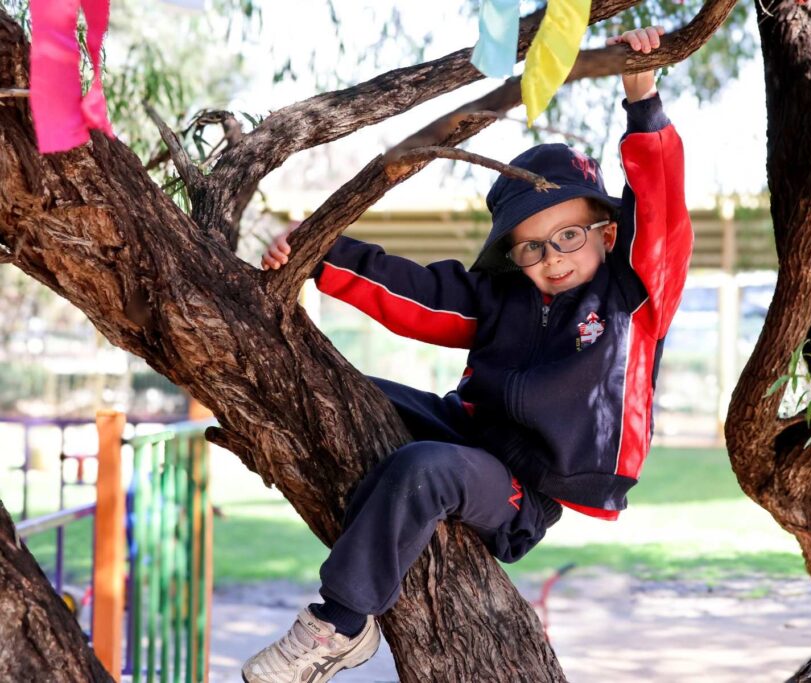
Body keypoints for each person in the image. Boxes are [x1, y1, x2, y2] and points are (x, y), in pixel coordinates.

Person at [243, 25, 692, 683]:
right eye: (531, 246)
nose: (553, 258)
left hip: (524, 490)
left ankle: (340, 622)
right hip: (468, 428)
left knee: (426, 469)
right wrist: (319, 254)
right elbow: (419, 293)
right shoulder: (502, 295)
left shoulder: (633, 291)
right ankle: (330, 498)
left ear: (607, 231)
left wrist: (642, 97)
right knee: (343, 387)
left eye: (569, 235)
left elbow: (662, 208)